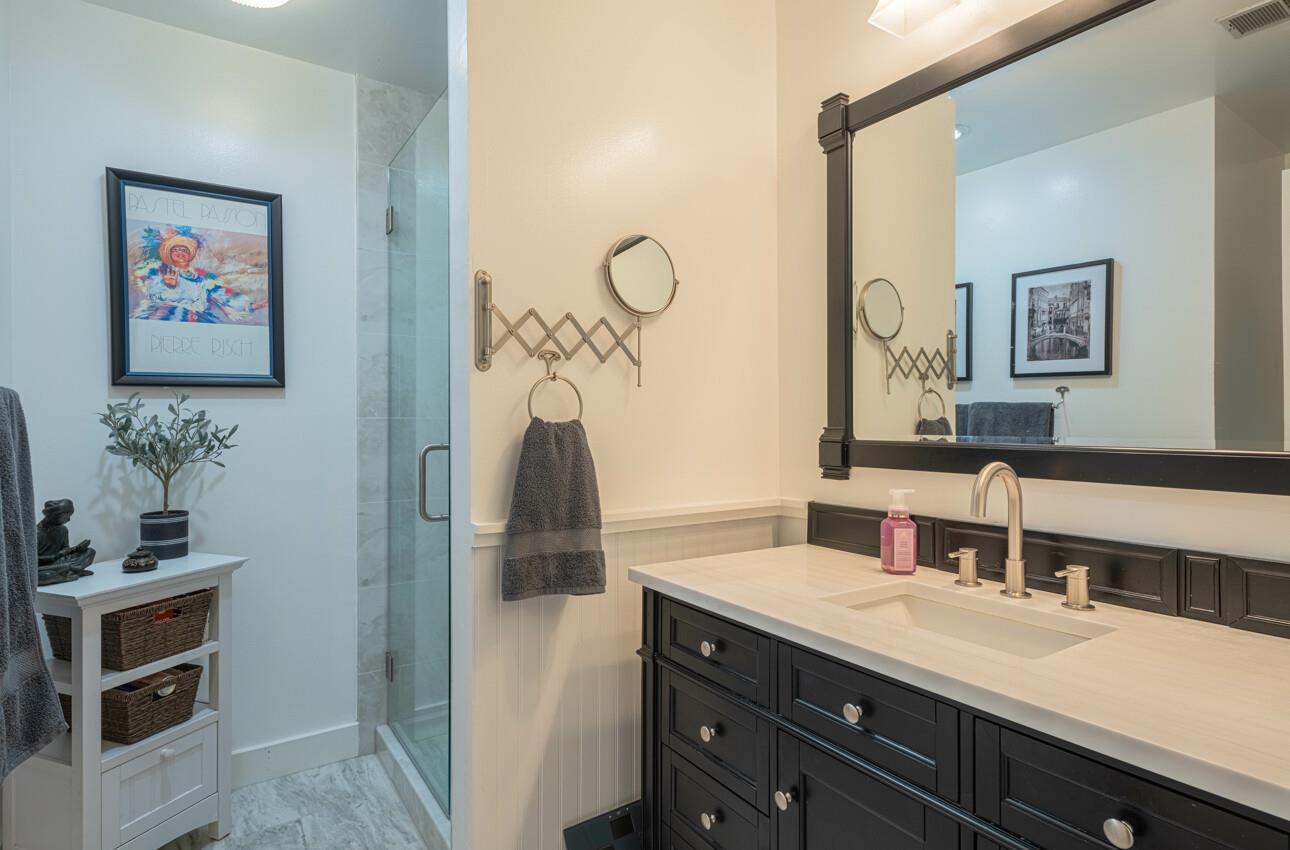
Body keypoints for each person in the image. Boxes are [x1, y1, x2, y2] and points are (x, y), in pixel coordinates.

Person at [131, 226, 262, 324]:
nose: (180, 252)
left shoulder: (204, 277)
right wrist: (168, 286)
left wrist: (252, 305)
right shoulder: (159, 270)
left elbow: (222, 295)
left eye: (184, 250)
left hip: (198, 319)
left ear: (190, 255)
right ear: (169, 254)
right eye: (175, 250)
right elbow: (152, 291)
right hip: (167, 317)